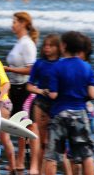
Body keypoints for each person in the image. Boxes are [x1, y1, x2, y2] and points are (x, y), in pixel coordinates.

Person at [44, 31, 94, 175]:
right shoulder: (87, 67)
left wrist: (46, 92)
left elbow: (54, 94)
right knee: (86, 155)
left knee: (52, 156)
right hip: (80, 113)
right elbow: (92, 94)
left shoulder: (57, 67)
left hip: (60, 113)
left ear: (64, 46)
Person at [4, 11, 39, 174]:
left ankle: (32, 164)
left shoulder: (27, 44)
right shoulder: (19, 42)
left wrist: (9, 69)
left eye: (15, 22)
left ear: (24, 23)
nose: (12, 24)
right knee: (18, 125)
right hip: (14, 88)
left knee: (28, 126)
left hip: (25, 89)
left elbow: (32, 69)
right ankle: (19, 161)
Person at [26, 34, 61, 173]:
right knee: (41, 142)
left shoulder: (62, 63)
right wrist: (41, 91)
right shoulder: (39, 63)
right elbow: (29, 86)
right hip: (40, 103)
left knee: (51, 142)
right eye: (45, 45)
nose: (47, 48)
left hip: (57, 105)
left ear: (58, 47)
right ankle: (39, 170)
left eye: (51, 46)